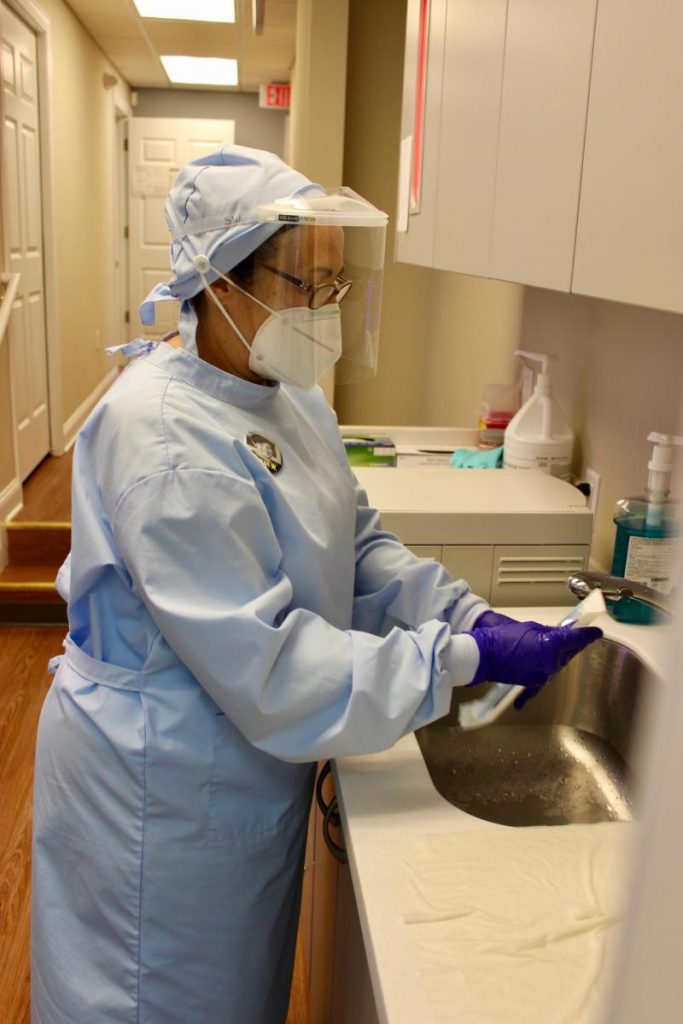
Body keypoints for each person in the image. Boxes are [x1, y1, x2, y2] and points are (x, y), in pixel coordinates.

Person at [31, 145, 601, 1024]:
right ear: (221, 280)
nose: (327, 307)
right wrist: (454, 659)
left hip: (233, 772)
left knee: (231, 991)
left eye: (337, 283)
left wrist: (463, 613)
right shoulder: (167, 441)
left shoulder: (286, 397)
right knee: (155, 998)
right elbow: (270, 669)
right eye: (307, 283)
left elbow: (353, 543)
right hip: (161, 783)